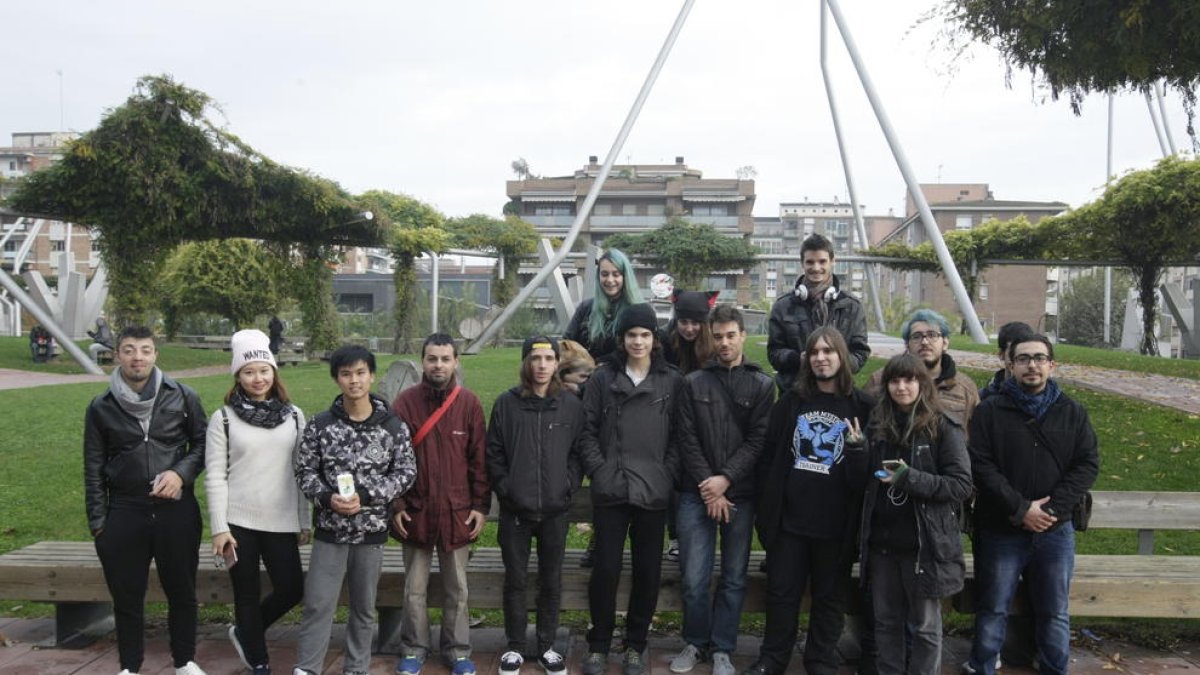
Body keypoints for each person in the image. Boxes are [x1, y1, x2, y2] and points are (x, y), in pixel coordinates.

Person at [963, 334, 1099, 675]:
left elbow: (1086, 465)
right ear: (1010, 366)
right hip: (1001, 528)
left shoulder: (1072, 412)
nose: (1032, 365)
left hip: (1055, 531)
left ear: (1052, 365)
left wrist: (1051, 511)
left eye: (1040, 358)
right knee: (993, 606)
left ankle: (1056, 668)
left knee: (1055, 610)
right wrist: (1021, 509)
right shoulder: (990, 410)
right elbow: (980, 464)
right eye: (1023, 359)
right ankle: (982, 667)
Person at [744, 326, 873, 675]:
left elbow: (868, 477)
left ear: (842, 357)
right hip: (790, 524)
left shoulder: (862, 406)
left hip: (836, 527)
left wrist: (860, 451)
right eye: (814, 352)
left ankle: (819, 659)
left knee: (829, 600)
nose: (821, 358)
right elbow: (769, 457)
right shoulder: (791, 402)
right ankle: (773, 658)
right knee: (782, 594)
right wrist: (768, 513)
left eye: (828, 351)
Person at [83, 326, 209, 675]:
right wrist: (98, 525)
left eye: (144, 349)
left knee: (181, 590)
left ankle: (184, 660)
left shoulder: (183, 396)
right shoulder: (100, 407)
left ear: (155, 355)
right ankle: (129, 666)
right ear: (117, 355)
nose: (137, 356)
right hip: (124, 510)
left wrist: (180, 474)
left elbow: (203, 446)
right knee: (127, 597)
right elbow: (92, 467)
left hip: (176, 511)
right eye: (129, 349)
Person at [292, 344, 417, 675]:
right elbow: (305, 472)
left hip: (371, 531)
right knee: (319, 604)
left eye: (361, 373)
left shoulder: (392, 427)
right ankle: (307, 668)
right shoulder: (320, 426)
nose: (354, 381)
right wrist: (326, 497)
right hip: (330, 531)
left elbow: (405, 473)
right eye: (346, 374)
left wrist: (367, 495)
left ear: (372, 376)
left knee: (363, 608)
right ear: (337, 378)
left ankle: (356, 668)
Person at [578, 303, 684, 675]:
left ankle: (636, 644)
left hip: (653, 491)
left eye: (644, 334)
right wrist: (600, 470)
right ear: (621, 339)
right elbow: (586, 431)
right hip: (611, 489)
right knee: (605, 569)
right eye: (631, 335)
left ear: (654, 339)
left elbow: (679, 437)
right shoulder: (602, 379)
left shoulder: (671, 380)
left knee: (647, 572)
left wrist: (665, 473)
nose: (638, 341)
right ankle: (599, 644)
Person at [670, 304, 774, 675]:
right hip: (695, 492)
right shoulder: (693, 382)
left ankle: (723, 648)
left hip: (741, 495)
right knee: (694, 577)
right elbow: (686, 438)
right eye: (718, 336)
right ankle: (695, 641)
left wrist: (726, 480)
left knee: (733, 577)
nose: (725, 342)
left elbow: (758, 440)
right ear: (709, 338)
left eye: (731, 335)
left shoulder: (762, 384)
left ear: (743, 335)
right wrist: (710, 488)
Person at [859, 354, 972, 675]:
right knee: (886, 623)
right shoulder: (877, 426)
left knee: (924, 627)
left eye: (909, 380)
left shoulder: (942, 427)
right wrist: (857, 452)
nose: (901, 387)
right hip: (882, 543)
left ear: (922, 384)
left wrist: (909, 479)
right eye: (895, 381)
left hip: (923, 546)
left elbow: (961, 485)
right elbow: (861, 482)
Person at [205, 329, 309, 675]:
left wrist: (303, 520)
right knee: (245, 594)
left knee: (292, 587)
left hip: (280, 519)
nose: (258, 378)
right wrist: (219, 528)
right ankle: (258, 660)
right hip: (238, 522)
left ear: (274, 372)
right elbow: (216, 476)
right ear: (238, 375)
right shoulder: (222, 419)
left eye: (264, 370)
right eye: (249, 372)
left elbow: (302, 471)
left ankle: (245, 632)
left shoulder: (294, 416)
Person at [391, 334, 490, 675]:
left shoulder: (469, 404)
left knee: (457, 589)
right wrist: (397, 505)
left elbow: (479, 460)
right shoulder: (404, 403)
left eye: (445, 359)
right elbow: (393, 459)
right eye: (432, 358)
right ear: (423, 361)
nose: (438, 365)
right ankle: (414, 648)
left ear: (456, 361)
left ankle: (458, 650)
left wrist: (480, 506)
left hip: (457, 512)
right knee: (413, 589)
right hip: (415, 512)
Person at [486, 336, 585, 675]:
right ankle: (514, 646)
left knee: (551, 580)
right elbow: (494, 453)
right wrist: (506, 488)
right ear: (525, 362)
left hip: (555, 510)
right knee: (515, 579)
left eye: (548, 358)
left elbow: (577, 452)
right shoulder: (507, 404)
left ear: (557, 363)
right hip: (516, 510)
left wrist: (568, 485)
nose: (542, 365)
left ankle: (546, 645)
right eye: (535, 358)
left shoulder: (569, 405)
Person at [768, 234, 870, 393]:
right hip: (795, 394)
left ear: (833, 261)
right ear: (802, 263)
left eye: (822, 261)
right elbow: (774, 353)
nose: (816, 268)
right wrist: (797, 360)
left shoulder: (851, 306)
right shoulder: (783, 306)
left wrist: (835, 362)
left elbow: (860, 353)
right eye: (810, 262)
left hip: (838, 393)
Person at [660, 289, 719, 563]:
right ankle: (675, 537)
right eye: (684, 321)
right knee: (673, 481)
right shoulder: (666, 343)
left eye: (695, 322)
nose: (689, 328)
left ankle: (703, 535)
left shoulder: (711, 350)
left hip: (702, 420)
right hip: (669, 421)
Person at [865, 309, 979, 428]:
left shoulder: (965, 388)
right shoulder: (879, 380)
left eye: (932, 335)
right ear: (907, 344)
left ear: (945, 343)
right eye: (916, 336)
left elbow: (977, 434)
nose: (924, 342)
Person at [564, 248, 643, 363]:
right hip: (585, 375)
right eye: (605, 274)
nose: (610, 280)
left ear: (625, 276)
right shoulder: (585, 308)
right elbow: (567, 344)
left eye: (616, 274)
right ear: (598, 276)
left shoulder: (638, 311)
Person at [978, 321, 1035, 400]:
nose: (1020, 358)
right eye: (1014, 352)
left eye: (1026, 353)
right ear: (1001, 354)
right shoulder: (983, 398)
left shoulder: (1050, 400)